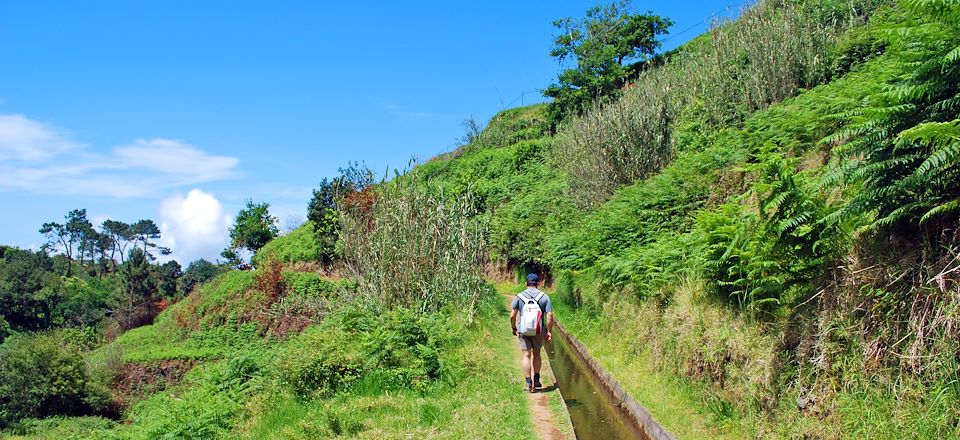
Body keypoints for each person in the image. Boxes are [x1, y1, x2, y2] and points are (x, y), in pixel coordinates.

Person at [510, 273, 555, 392]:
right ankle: (537, 379)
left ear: (526, 284)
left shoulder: (519, 296)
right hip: (538, 330)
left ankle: (528, 383)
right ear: (538, 284)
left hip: (523, 330)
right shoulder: (544, 297)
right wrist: (549, 331)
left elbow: (512, 315)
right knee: (537, 353)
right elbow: (550, 315)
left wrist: (514, 327)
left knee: (526, 355)